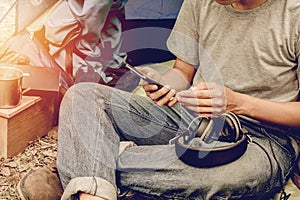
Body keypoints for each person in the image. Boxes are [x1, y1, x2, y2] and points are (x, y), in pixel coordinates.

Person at [18, 0, 300, 199]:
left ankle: (84, 172)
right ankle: (94, 179)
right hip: (193, 120)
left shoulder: (293, 13)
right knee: (83, 96)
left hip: (263, 139)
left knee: (224, 177)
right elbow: (181, 72)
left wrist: (237, 103)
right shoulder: (203, 2)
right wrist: (165, 84)